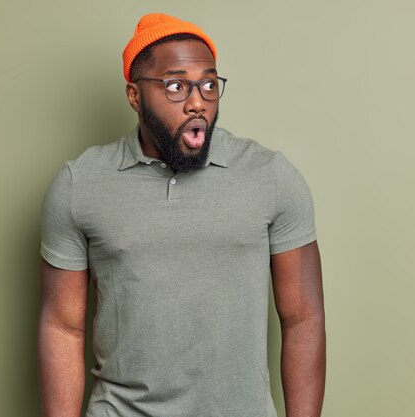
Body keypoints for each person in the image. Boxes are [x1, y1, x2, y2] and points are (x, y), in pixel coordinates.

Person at [38, 13, 325, 417]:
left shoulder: (272, 177)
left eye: (209, 84)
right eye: (175, 86)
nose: (197, 101)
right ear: (134, 96)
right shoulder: (78, 185)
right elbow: (62, 327)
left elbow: (303, 319)